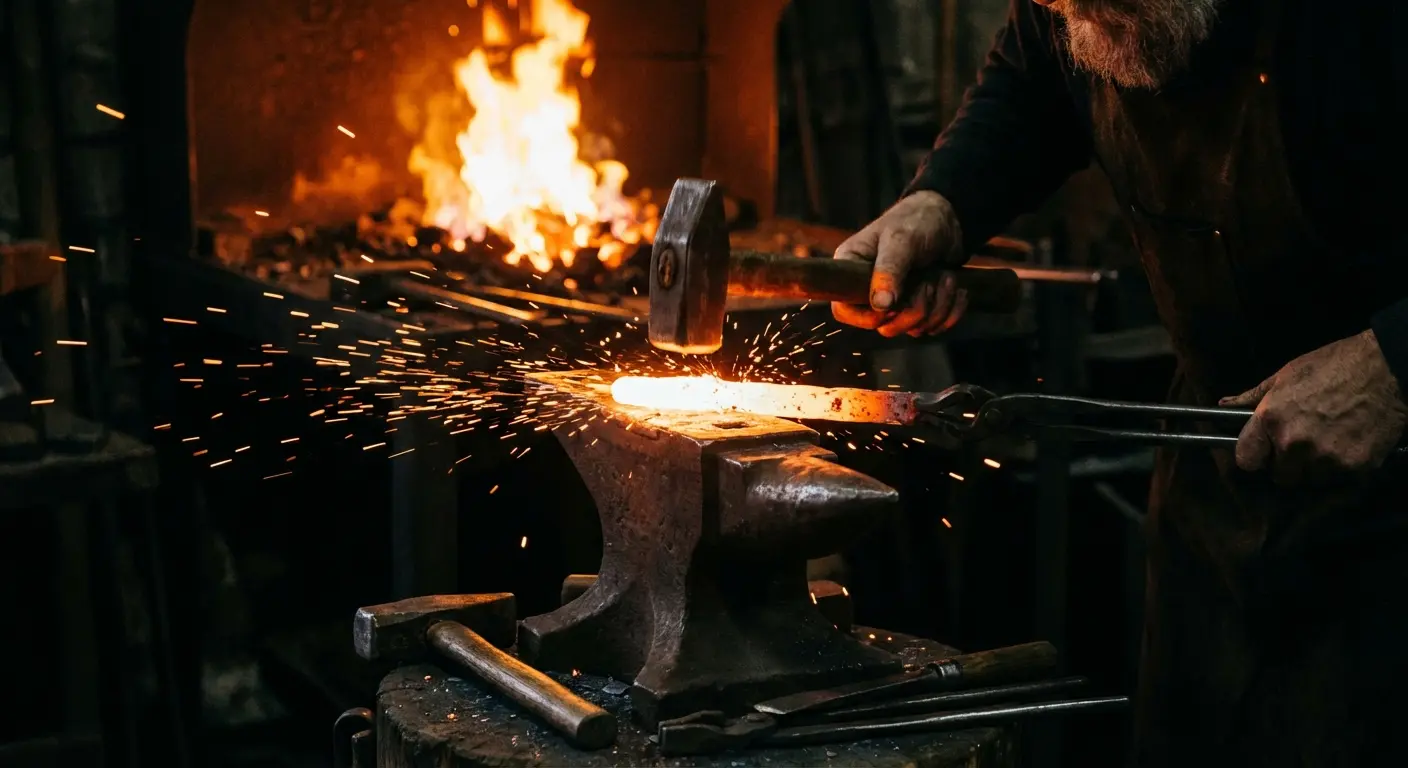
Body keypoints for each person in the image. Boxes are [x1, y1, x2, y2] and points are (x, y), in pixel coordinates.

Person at [830, 0, 1408, 765]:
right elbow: (1034, 77)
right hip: (1213, 488)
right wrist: (944, 199)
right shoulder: (1067, 9)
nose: (1066, 10)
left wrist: (1392, 365)